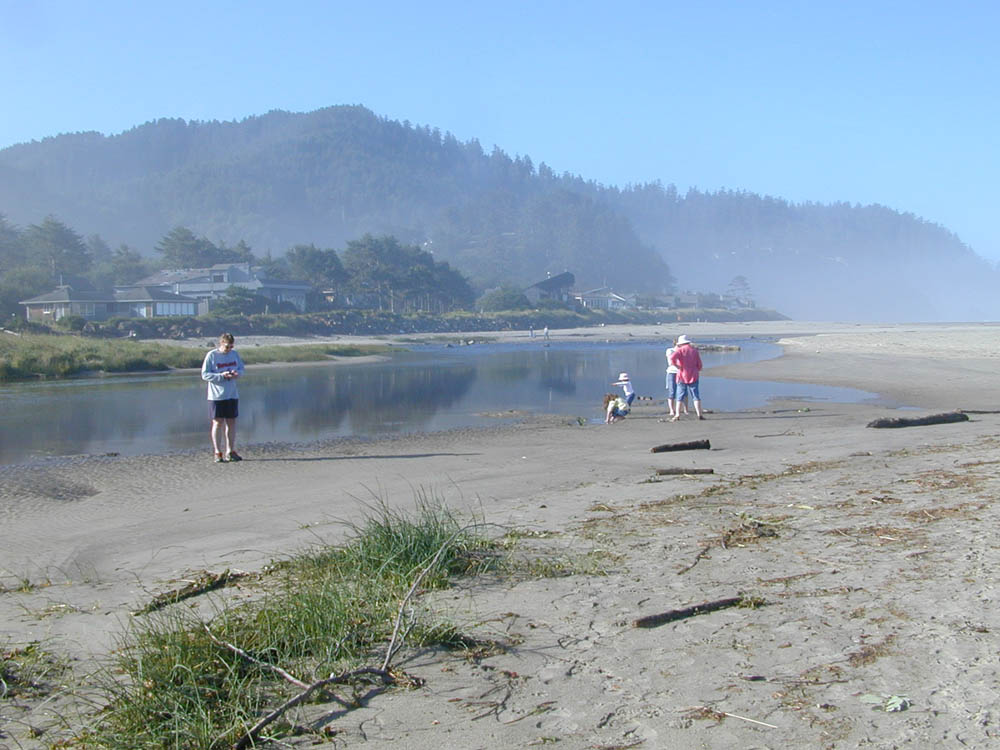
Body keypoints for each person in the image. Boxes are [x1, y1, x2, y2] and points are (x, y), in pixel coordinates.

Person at [202, 332, 246, 462]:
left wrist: (236, 374)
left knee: (231, 422)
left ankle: (230, 451)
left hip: (231, 394)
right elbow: (205, 375)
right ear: (221, 343)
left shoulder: (234, 354)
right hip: (216, 396)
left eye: (231, 346)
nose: (229, 349)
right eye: (227, 346)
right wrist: (221, 375)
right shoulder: (212, 355)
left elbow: (242, 369)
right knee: (218, 422)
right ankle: (217, 452)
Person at [668, 334, 704, 421]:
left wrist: (677, 366)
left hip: (682, 375)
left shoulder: (680, 350)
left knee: (679, 396)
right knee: (695, 395)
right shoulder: (694, 351)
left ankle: (677, 415)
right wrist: (697, 369)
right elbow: (699, 365)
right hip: (693, 375)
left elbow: (671, 358)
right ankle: (699, 414)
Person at [665, 339, 689, 418]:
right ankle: (672, 410)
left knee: (684, 391)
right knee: (672, 391)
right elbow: (671, 361)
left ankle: (686, 409)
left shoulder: (683, 351)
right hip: (672, 372)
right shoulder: (670, 350)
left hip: (681, 373)